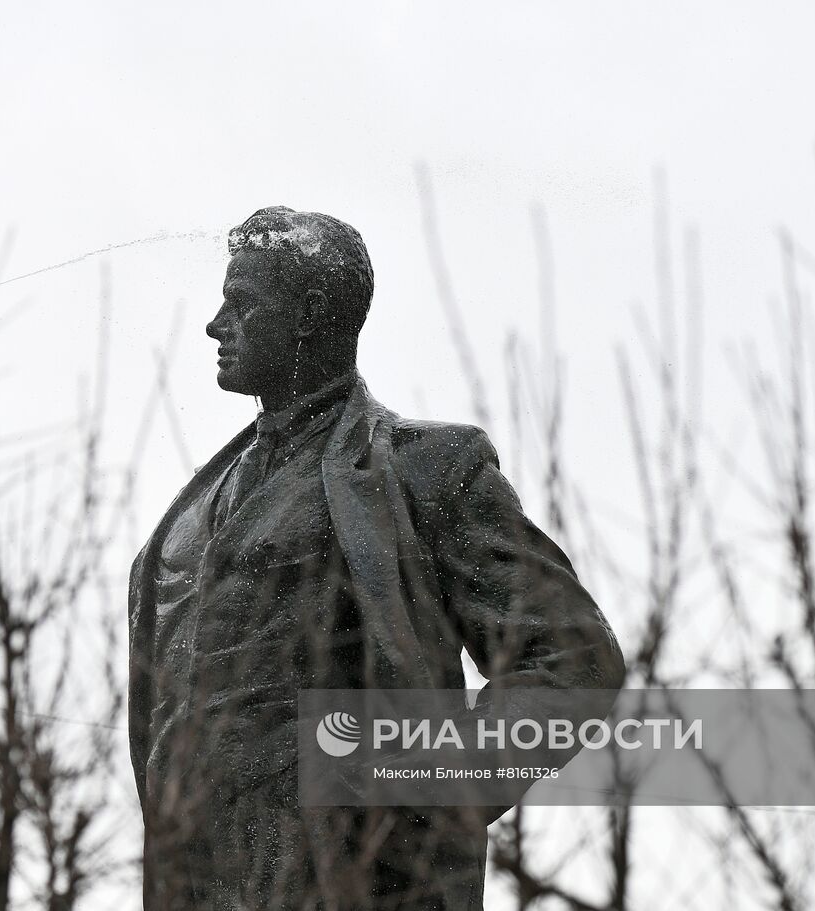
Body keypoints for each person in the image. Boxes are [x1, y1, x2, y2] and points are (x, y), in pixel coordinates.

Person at [128, 206, 626, 908]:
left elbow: (574, 659)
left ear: (308, 313)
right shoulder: (190, 508)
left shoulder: (423, 471)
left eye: (241, 304)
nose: (215, 325)